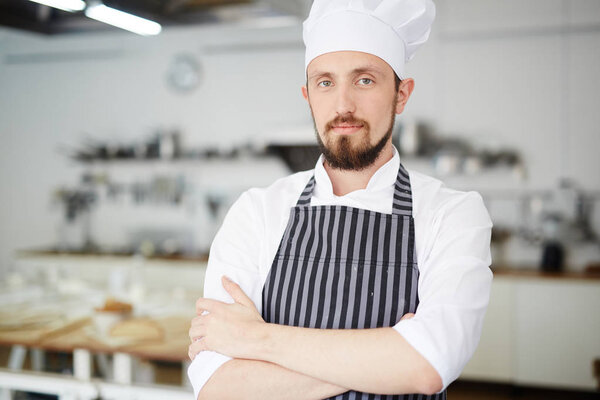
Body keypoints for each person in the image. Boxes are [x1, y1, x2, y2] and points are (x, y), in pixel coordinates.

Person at [187, 0, 493, 399]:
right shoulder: (258, 211)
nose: (343, 105)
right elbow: (218, 386)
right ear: (308, 95)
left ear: (401, 95)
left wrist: (257, 339)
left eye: (364, 80)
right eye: (325, 82)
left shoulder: (452, 213)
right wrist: (387, 357)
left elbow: (427, 366)